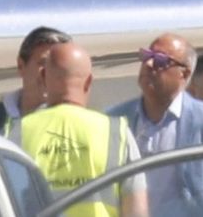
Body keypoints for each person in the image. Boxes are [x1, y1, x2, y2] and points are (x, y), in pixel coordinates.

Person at [8, 42, 148, 217]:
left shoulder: (17, 132)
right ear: (88, 82)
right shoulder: (115, 133)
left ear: (43, 77)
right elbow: (137, 210)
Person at [106, 34, 203, 216]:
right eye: (146, 56)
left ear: (184, 74)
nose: (149, 65)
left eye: (160, 60)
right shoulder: (114, 120)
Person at [0, 26, 73, 133]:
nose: (51, 73)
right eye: (43, 63)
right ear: (21, 66)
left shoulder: (75, 122)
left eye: (59, 66)